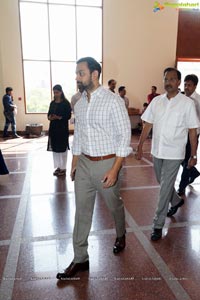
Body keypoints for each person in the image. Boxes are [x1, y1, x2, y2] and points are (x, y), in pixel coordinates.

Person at [56, 57, 132, 280]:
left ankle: (121, 233)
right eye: (77, 73)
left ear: (95, 74)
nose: (77, 77)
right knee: (81, 212)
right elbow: (79, 135)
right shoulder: (79, 103)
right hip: (85, 164)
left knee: (114, 205)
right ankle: (80, 258)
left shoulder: (113, 101)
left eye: (81, 73)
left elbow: (124, 136)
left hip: (107, 163)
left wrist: (115, 169)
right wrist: (74, 164)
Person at [135, 67, 199, 241]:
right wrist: (140, 145)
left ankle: (157, 224)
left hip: (174, 152)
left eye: (172, 79)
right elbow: (147, 124)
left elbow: (193, 130)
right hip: (157, 150)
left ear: (178, 82)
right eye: (166, 79)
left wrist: (193, 155)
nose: (168, 82)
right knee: (160, 180)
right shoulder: (157, 102)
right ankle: (176, 200)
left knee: (163, 188)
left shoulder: (187, 103)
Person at [177, 74, 200, 196]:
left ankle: (181, 187)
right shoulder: (181, 99)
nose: (186, 87)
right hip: (181, 135)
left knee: (187, 161)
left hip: (193, 136)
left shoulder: (198, 100)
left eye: (189, 85)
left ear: (195, 86)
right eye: (185, 84)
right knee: (180, 158)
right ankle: (194, 172)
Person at [47, 84, 71, 177]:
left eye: (57, 92)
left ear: (61, 92)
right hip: (53, 128)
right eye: (54, 92)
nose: (55, 94)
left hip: (62, 129)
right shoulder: (52, 103)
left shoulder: (66, 103)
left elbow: (68, 116)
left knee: (62, 148)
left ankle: (63, 168)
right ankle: (58, 167)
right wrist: (50, 117)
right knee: (55, 149)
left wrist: (59, 117)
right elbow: (48, 114)